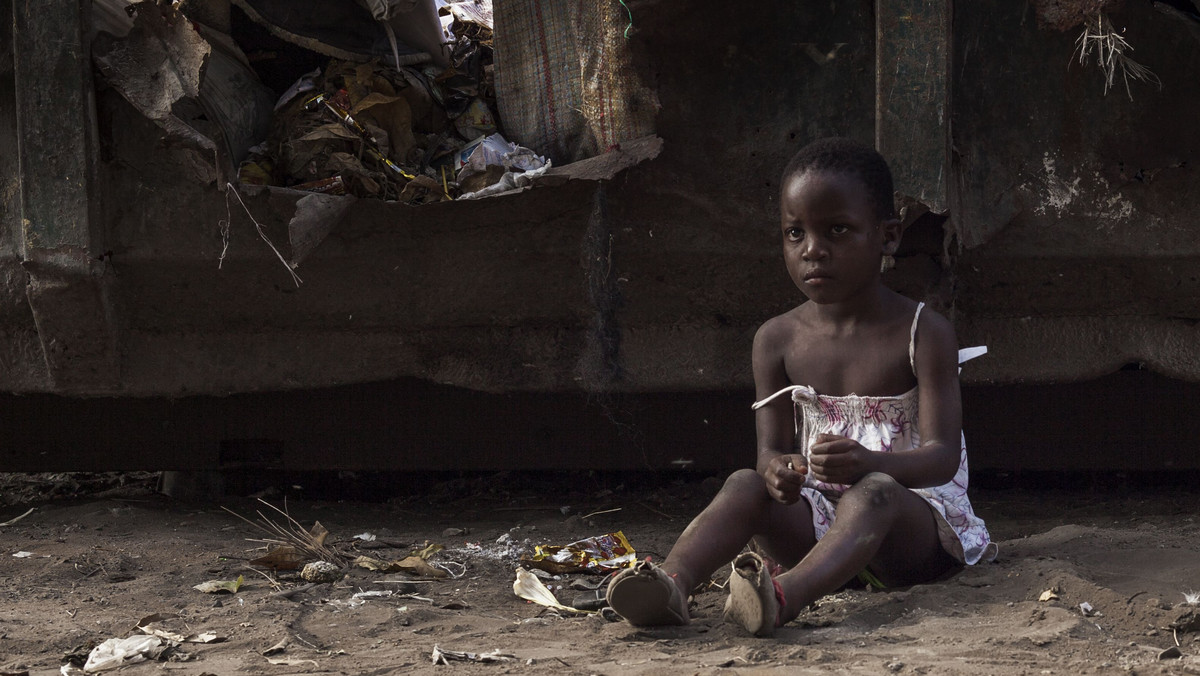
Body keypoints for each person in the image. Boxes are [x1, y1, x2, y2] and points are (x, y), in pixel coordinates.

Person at [604, 137, 997, 636]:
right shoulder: (776, 339)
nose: (813, 250)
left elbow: (942, 459)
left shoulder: (924, 332)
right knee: (744, 483)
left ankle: (783, 598)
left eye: (837, 230)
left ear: (889, 237)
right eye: (795, 233)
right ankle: (671, 586)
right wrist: (780, 472)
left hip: (910, 537)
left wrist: (874, 463)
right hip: (820, 532)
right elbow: (769, 451)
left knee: (874, 492)